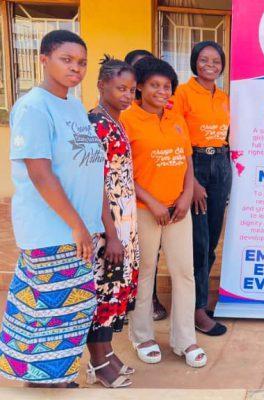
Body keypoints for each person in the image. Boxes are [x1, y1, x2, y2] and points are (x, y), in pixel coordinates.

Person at [0, 30, 104, 388]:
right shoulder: (33, 107)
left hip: (78, 229)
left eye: (81, 62)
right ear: (44, 60)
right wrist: (76, 225)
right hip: (53, 230)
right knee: (52, 314)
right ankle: (44, 383)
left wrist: (90, 224)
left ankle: (52, 379)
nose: (76, 68)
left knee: (69, 311)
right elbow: (39, 173)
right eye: (66, 59)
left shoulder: (73, 106)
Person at [122, 57, 207, 368]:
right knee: (145, 272)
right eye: (154, 85)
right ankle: (142, 335)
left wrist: (186, 195)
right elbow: (122, 170)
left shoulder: (175, 118)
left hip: (178, 211)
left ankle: (185, 340)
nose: (161, 91)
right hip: (144, 210)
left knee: (184, 273)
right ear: (140, 88)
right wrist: (153, 202)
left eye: (167, 86)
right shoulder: (127, 119)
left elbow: (186, 160)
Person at [84, 56, 139, 388]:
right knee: (104, 289)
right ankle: (97, 362)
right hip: (108, 225)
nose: (127, 95)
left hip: (123, 221)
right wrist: (112, 234)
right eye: (120, 88)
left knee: (116, 288)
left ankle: (107, 352)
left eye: (131, 89)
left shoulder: (115, 121)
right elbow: (96, 182)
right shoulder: (95, 124)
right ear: (101, 85)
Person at [172, 41, 230, 337]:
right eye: (204, 59)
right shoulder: (182, 93)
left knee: (212, 241)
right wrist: (191, 180)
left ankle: (200, 301)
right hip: (195, 164)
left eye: (216, 61)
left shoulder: (223, 96)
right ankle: (196, 310)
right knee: (199, 242)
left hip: (220, 163)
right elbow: (176, 136)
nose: (210, 65)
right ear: (194, 61)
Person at [123, 48, 169, 322]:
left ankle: (147, 299)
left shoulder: (167, 113)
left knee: (150, 255)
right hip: (128, 200)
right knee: (133, 254)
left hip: (157, 199)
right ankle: (129, 308)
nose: (159, 89)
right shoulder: (121, 114)